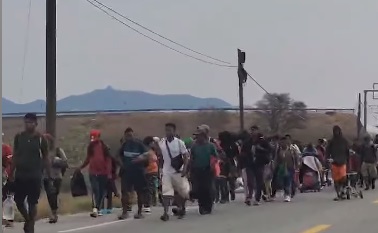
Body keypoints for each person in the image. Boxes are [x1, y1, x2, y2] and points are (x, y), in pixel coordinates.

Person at [9, 113, 53, 233]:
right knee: (18, 201)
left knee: (32, 202)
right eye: (26, 122)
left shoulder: (40, 138)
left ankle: (31, 226)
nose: (28, 125)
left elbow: (46, 157)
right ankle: (28, 220)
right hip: (20, 175)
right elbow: (16, 155)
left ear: (35, 123)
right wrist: (11, 172)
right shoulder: (19, 137)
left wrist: (49, 175)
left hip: (34, 175)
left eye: (30, 122)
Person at [158, 123, 190, 221]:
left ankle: (182, 208)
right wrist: (160, 170)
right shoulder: (162, 143)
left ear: (174, 131)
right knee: (166, 193)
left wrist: (185, 168)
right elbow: (161, 157)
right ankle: (165, 213)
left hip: (178, 171)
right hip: (166, 172)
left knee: (182, 192)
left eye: (170, 130)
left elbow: (185, 156)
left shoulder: (179, 142)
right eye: (166, 130)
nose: (168, 132)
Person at [77, 129, 111, 218]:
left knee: (101, 191)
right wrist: (81, 167)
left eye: (94, 137)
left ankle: (98, 208)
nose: (93, 139)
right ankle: (95, 208)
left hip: (103, 172)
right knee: (95, 190)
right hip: (93, 171)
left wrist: (108, 171)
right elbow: (88, 158)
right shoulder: (90, 147)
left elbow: (108, 159)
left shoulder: (104, 146)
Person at [118, 127, 149, 220]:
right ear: (125, 136)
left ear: (133, 135)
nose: (129, 137)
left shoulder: (139, 144)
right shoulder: (124, 145)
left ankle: (139, 212)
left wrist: (140, 159)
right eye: (127, 136)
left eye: (130, 135)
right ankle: (125, 212)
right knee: (124, 192)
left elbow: (147, 155)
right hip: (127, 172)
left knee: (140, 192)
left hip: (138, 171)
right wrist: (121, 164)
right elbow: (117, 156)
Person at [190, 126, 218, 214]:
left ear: (204, 136)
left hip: (208, 170)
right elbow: (191, 158)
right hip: (197, 170)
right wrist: (190, 170)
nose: (197, 137)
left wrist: (213, 162)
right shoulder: (194, 146)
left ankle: (208, 207)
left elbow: (216, 156)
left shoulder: (210, 146)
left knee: (207, 189)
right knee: (199, 189)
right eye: (197, 136)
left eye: (199, 135)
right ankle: (201, 206)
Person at [241, 125, 271, 206]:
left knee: (259, 181)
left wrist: (260, 149)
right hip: (249, 163)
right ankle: (249, 197)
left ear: (257, 131)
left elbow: (269, 150)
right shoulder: (247, 141)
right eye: (251, 130)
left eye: (254, 130)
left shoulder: (263, 141)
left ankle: (257, 198)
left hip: (259, 163)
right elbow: (242, 152)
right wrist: (245, 156)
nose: (253, 132)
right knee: (250, 181)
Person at [42, 134, 68, 223]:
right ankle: (54, 213)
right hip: (46, 177)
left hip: (57, 176)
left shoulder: (58, 150)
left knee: (54, 194)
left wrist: (55, 161)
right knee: (50, 195)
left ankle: (54, 213)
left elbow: (65, 163)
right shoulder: (41, 152)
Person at [326, 125, 350, 201]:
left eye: (337, 130)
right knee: (336, 180)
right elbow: (327, 151)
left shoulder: (344, 141)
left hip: (343, 162)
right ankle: (338, 194)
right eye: (335, 131)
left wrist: (348, 160)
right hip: (334, 163)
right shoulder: (331, 141)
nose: (336, 132)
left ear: (340, 131)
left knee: (343, 178)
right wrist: (327, 159)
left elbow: (347, 151)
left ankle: (342, 191)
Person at [274, 136, 300, 202]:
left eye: (284, 142)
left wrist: (297, 165)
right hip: (282, 167)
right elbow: (276, 159)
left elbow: (296, 157)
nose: (282, 144)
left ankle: (287, 195)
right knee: (282, 181)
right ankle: (287, 191)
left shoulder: (292, 150)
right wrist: (275, 165)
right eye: (281, 142)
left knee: (288, 181)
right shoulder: (279, 150)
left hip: (290, 167)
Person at [143, 136, 159, 212]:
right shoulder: (146, 151)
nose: (153, 144)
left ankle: (151, 202)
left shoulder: (152, 150)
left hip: (153, 172)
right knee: (149, 188)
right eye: (152, 142)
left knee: (152, 188)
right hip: (148, 172)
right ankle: (147, 204)